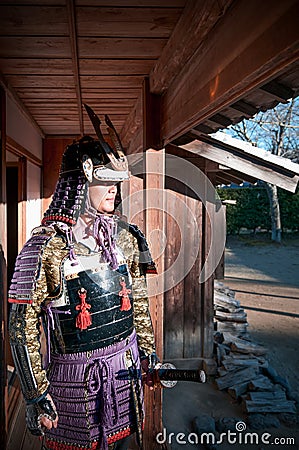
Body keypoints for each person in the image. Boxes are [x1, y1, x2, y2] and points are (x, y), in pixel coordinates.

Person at [8, 110, 158, 450]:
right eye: (105, 180)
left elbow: (139, 300)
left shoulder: (125, 236)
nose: (114, 189)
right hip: (74, 383)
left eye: (117, 181)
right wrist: (34, 394)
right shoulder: (47, 247)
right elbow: (22, 325)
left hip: (125, 369)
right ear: (80, 182)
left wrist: (148, 353)